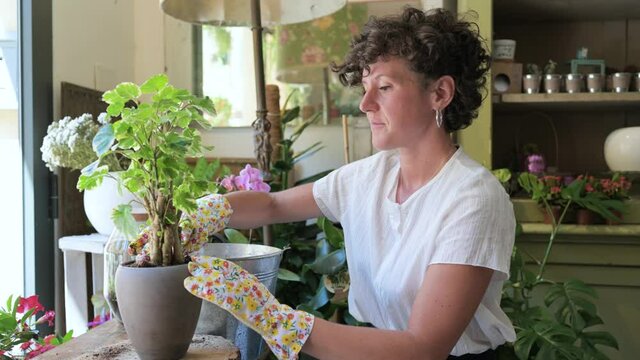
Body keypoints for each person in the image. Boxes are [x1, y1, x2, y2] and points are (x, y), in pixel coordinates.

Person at [182, 6, 515, 360]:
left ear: (439, 94)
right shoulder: (369, 177)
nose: (365, 104)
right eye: (366, 87)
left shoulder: (474, 199)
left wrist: (274, 320)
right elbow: (274, 204)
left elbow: (424, 347)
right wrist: (205, 212)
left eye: (384, 87)